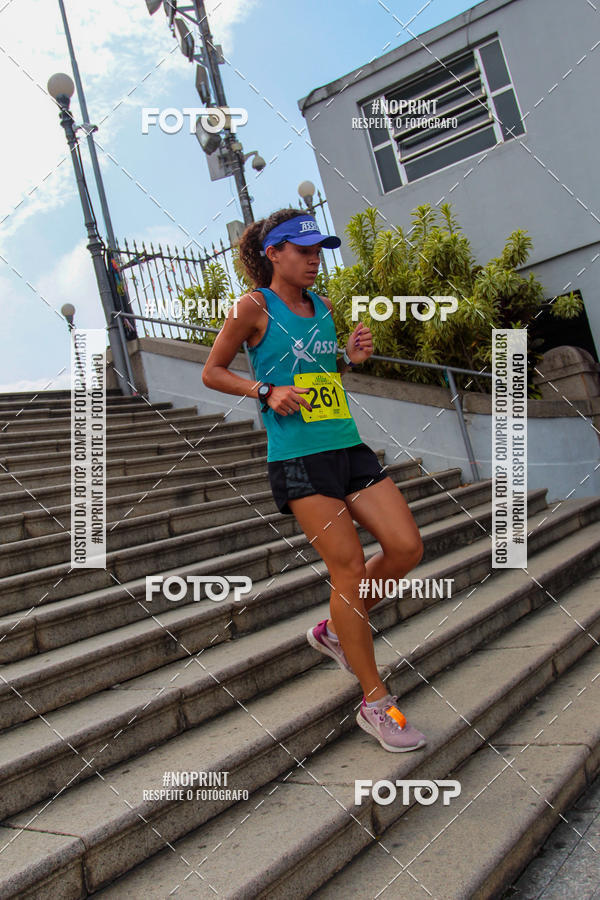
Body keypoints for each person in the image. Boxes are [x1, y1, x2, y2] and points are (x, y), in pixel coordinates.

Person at [201, 207, 427, 753]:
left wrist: (347, 360)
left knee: (405, 548)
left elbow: (320, 374)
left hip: (347, 446)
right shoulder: (253, 307)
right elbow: (212, 371)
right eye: (302, 251)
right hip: (299, 457)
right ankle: (377, 703)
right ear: (273, 254)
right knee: (347, 569)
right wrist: (263, 392)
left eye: (318, 251)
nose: (313, 260)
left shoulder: (323, 306)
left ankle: (333, 631)